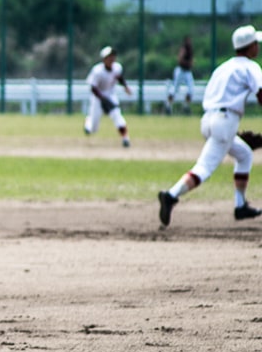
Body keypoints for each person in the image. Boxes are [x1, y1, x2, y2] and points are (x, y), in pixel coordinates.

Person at [158, 25, 262, 227]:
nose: (257, 47)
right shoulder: (251, 67)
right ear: (249, 47)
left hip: (208, 119)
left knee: (244, 154)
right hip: (225, 120)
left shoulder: (223, 67)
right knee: (204, 168)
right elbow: (261, 94)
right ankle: (170, 195)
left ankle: (240, 206)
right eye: (255, 43)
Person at [84, 45, 133, 147]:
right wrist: (103, 99)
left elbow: (119, 77)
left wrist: (125, 87)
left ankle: (125, 138)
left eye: (113, 56)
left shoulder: (117, 67)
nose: (111, 59)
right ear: (104, 59)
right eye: (109, 57)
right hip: (98, 97)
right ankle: (89, 121)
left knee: (117, 116)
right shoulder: (97, 71)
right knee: (94, 128)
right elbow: (93, 87)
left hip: (110, 95)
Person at [167, 35, 195, 115]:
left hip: (187, 71)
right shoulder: (184, 49)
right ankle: (168, 106)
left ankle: (186, 107)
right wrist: (188, 63)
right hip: (181, 70)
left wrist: (191, 63)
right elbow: (180, 59)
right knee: (174, 89)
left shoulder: (190, 50)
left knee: (191, 89)